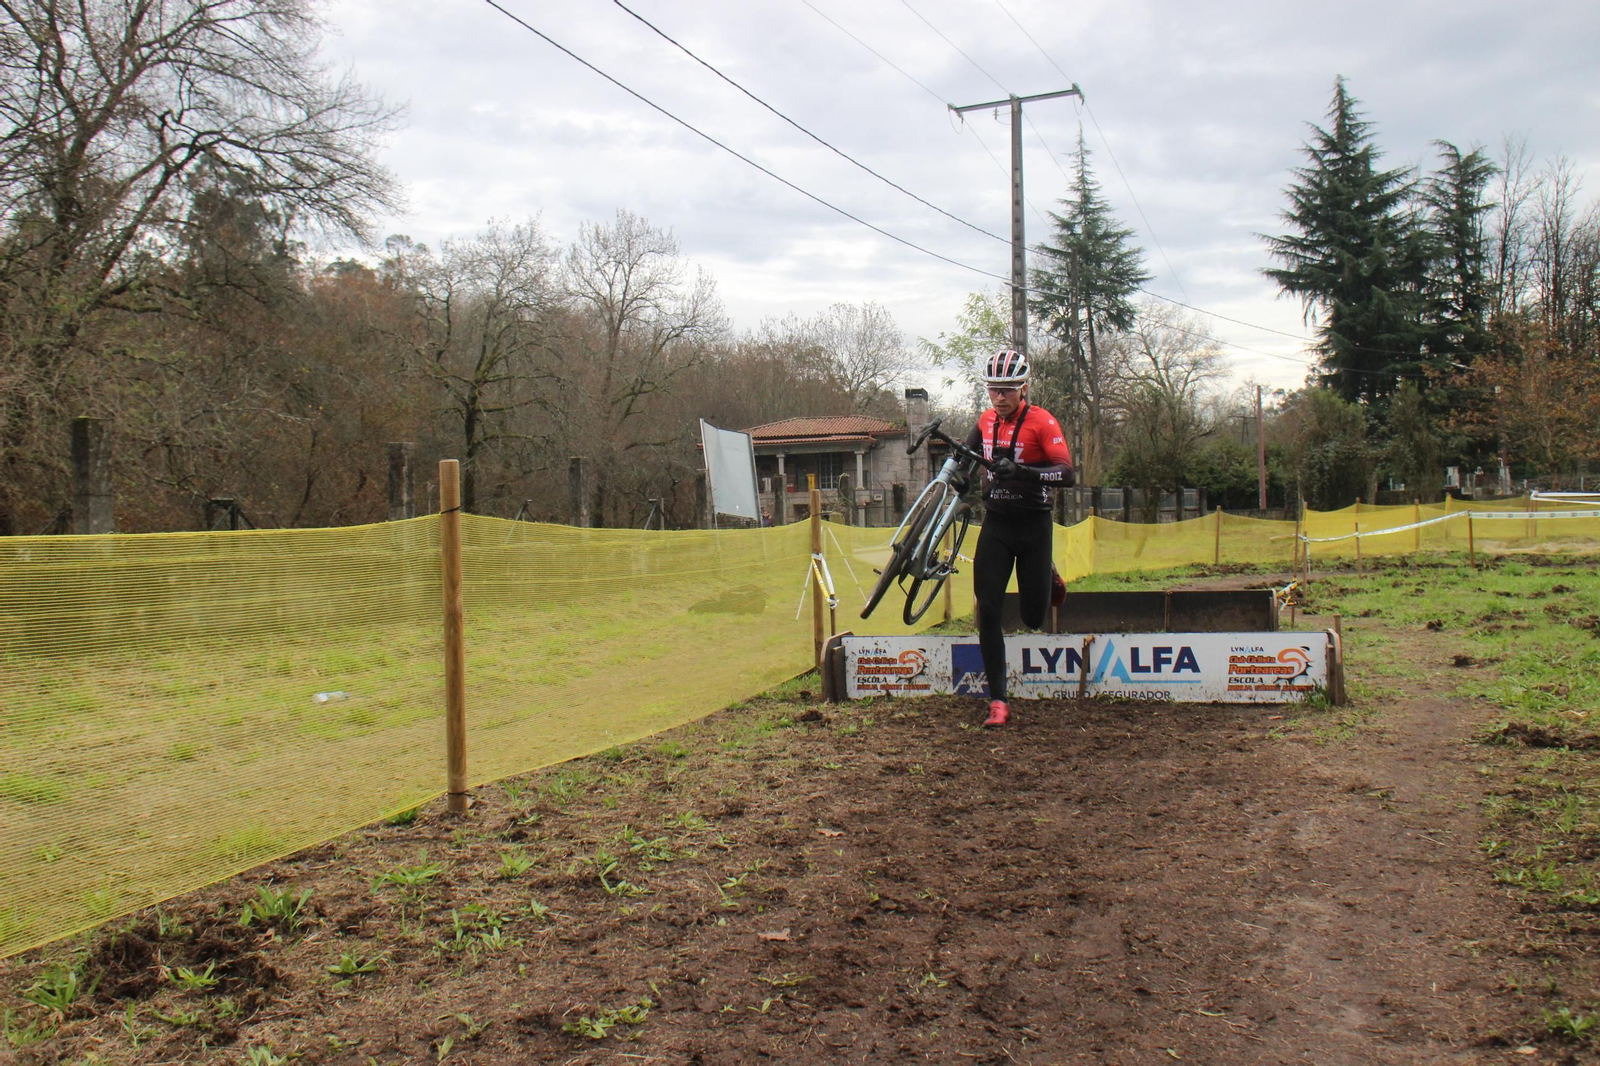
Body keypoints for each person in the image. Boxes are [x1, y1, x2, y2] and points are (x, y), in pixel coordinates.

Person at [965, 348, 1075, 727]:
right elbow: (967, 456)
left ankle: (1048, 574)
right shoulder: (984, 421)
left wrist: (1024, 472)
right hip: (996, 524)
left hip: (1033, 526)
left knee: (1031, 617)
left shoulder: (1042, 422)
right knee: (989, 609)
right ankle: (998, 700)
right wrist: (958, 474)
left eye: (1008, 389)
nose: (1000, 397)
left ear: (1023, 388)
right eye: (994, 389)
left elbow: (1067, 474)